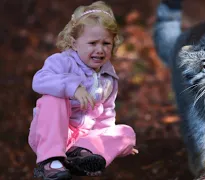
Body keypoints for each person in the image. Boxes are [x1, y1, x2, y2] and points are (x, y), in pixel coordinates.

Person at [28, 1, 138, 179]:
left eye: (106, 43)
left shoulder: (108, 75)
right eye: (92, 43)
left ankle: (80, 156)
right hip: (52, 134)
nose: (100, 50)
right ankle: (51, 162)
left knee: (126, 133)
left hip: (85, 140)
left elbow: (106, 114)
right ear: (74, 43)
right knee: (53, 98)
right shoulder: (61, 62)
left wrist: (112, 142)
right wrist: (73, 88)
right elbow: (39, 80)